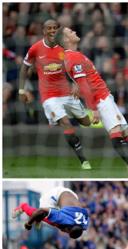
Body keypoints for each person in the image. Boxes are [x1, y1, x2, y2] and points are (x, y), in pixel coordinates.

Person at [54, 27, 128, 172]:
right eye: (70, 32)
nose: (74, 32)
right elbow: (84, 85)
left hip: (105, 96)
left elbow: (82, 81)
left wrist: (76, 85)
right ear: (66, 40)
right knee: (115, 131)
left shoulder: (75, 55)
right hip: (100, 100)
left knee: (125, 131)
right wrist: (94, 108)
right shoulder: (72, 57)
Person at [18, 20, 92, 170]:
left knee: (86, 122)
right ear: (43, 30)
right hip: (49, 96)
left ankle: (54, 119)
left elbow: (75, 65)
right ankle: (84, 160)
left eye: (55, 28)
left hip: (66, 93)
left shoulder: (64, 47)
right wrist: (21, 90)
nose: (52, 31)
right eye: (49, 28)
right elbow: (24, 69)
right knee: (66, 122)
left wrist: (76, 83)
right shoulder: (35, 49)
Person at [12, 186, 89, 239]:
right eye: (67, 232)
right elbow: (41, 211)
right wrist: (28, 223)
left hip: (72, 194)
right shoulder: (62, 218)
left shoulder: (84, 224)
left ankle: (39, 219)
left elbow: (86, 213)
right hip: (54, 195)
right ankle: (23, 207)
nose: (65, 232)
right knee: (46, 218)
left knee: (58, 223)